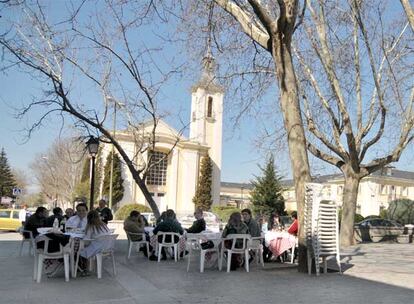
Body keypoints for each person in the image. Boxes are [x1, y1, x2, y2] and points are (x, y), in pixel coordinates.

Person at [78, 210, 111, 276]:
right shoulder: (104, 225)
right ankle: (88, 268)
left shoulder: (91, 226)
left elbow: (86, 240)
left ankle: (85, 269)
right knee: (86, 248)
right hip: (107, 247)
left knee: (80, 251)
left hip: (98, 248)